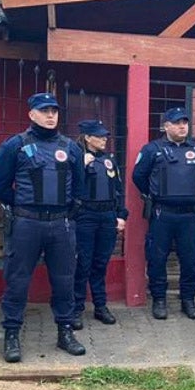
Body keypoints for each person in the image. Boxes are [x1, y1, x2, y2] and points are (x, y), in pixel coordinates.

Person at [0, 92, 86, 363]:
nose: (50, 116)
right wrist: (26, 207)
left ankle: (65, 332)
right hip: (27, 224)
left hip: (61, 224)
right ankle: (11, 335)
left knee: (64, 281)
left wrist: (66, 213)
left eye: (54, 111)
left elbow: (80, 190)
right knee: (17, 281)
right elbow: (1, 188)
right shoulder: (15, 146)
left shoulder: (71, 148)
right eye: (44, 111)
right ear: (31, 114)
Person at [132, 106, 195, 320]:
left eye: (184, 122)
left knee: (190, 260)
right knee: (157, 258)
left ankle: (188, 300)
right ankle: (159, 299)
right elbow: (138, 177)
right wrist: (155, 194)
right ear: (165, 126)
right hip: (162, 214)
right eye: (176, 122)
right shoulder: (152, 149)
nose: (182, 126)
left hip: (188, 215)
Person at [71, 119, 129, 330]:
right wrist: (80, 165)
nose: (104, 139)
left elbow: (118, 190)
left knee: (100, 263)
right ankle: (75, 308)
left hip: (107, 216)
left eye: (106, 136)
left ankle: (100, 306)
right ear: (87, 137)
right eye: (100, 136)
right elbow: (67, 186)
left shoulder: (109, 160)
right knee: (82, 264)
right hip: (85, 215)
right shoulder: (75, 158)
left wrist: (121, 216)